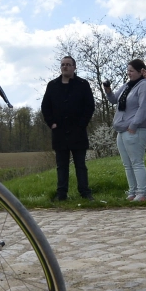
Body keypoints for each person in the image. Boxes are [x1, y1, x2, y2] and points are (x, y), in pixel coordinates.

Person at [41, 56, 95, 202]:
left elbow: (89, 106)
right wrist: (51, 123)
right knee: (61, 165)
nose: (65, 67)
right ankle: (61, 194)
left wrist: (82, 124)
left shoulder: (83, 84)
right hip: (59, 132)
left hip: (78, 131)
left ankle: (85, 192)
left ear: (74, 67)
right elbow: (45, 107)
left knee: (80, 165)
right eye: (63, 65)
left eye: (68, 65)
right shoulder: (52, 85)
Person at [104, 59, 146, 202]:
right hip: (122, 130)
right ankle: (132, 192)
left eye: (131, 71)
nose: (129, 74)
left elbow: (144, 108)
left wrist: (133, 125)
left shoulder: (144, 86)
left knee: (137, 162)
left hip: (135, 130)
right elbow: (114, 100)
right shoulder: (127, 86)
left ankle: (142, 193)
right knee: (127, 164)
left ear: (140, 72)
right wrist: (108, 90)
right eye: (128, 71)